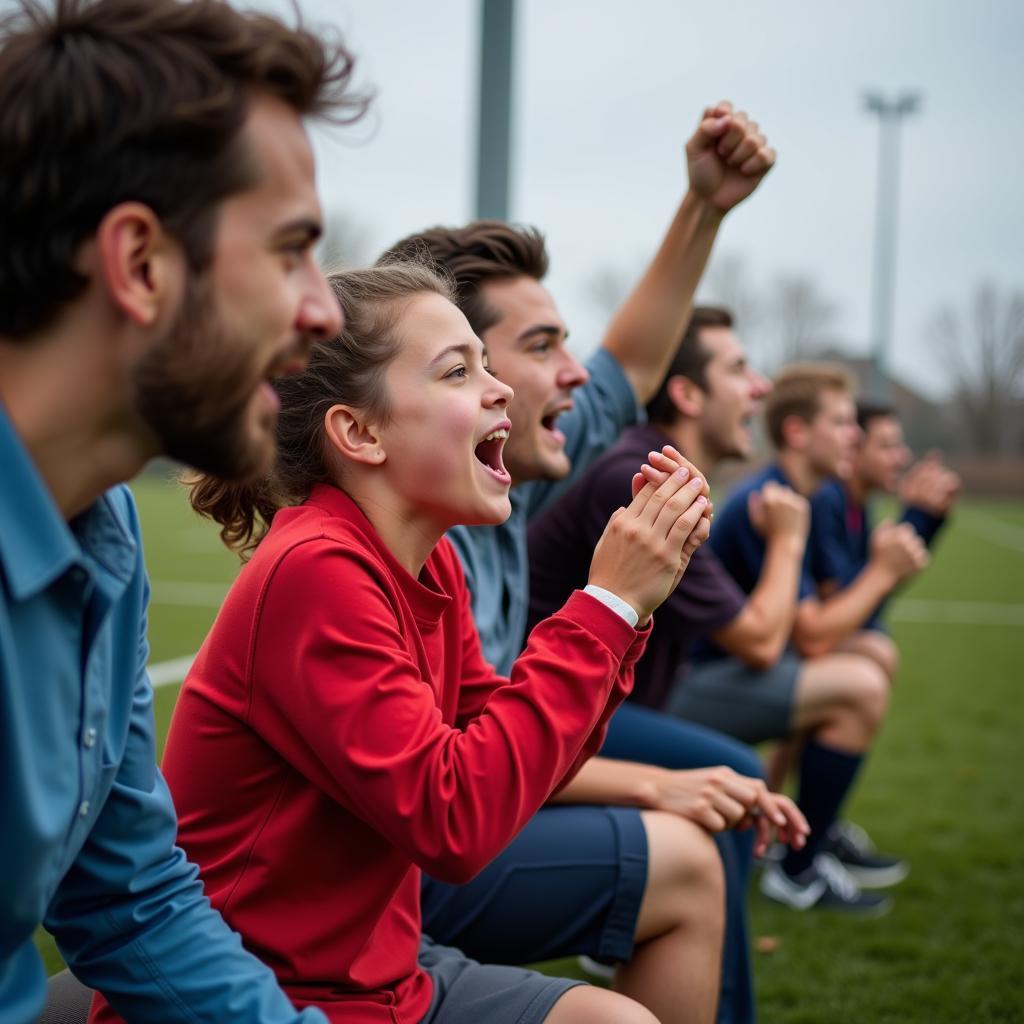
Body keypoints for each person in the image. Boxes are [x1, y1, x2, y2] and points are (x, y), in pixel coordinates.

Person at [91, 263, 761, 1024]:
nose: (500, 386)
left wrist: (627, 616)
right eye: (457, 369)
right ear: (360, 432)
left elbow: (509, 751)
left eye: (487, 361)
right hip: (268, 990)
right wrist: (605, 605)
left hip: (382, 969)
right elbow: (456, 821)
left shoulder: (427, 558)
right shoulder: (318, 568)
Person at [0, 1, 363, 1021]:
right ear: (141, 263)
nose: (323, 309)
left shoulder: (103, 532)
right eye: (290, 250)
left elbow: (127, 895)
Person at [386, 106, 790, 1022]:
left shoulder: (499, 488)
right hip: (405, 869)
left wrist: (705, 207)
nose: (576, 372)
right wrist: (614, 604)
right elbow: (451, 790)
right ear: (455, 376)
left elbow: (632, 360)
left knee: (702, 814)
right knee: (691, 829)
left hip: (456, 815)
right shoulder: (405, 532)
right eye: (541, 346)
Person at [527, 313, 917, 914]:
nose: (759, 387)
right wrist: (791, 541)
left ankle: (796, 845)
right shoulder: (648, 480)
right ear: (686, 394)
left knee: (859, 665)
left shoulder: (670, 472)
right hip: (574, 708)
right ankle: (792, 866)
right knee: (753, 757)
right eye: (738, 369)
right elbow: (769, 642)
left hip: (632, 696)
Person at [692, 363, 933, 909]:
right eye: (843, 422)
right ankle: (797, 870)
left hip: (732, 673)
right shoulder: (769, 499)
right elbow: (817, 637)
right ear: (799, 433)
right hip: (689, 685)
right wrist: (884, 571)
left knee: (871, 653)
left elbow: (825, 628)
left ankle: (794, 830)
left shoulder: (799, 493)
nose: (855, 435)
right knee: (859, 684)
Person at [808, 398, 960, 669]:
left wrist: (924, 518)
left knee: (878, 640)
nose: (902, 457)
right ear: (853, 451)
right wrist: (914, 518)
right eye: (887, 446)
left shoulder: (857, 504)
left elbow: (869, 596)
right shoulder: (827, 500)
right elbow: (847, 610)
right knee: (877, 648)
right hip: (800, 646)